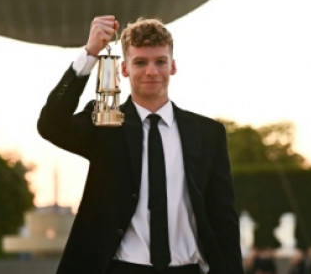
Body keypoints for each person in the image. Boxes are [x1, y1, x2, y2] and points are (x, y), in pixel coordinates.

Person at [38, 15, 243, 274]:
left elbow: (224, 219)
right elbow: (51, 125)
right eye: (140, 62)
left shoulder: (208, 134)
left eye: (160, 62)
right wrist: (89, 54)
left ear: (173, 66)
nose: (151, 71)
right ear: (124, 69)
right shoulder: (105, 124)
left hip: (187, 269)